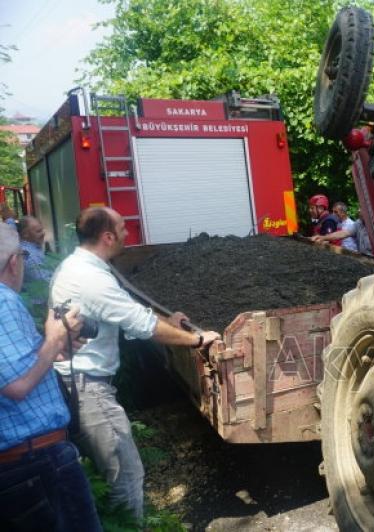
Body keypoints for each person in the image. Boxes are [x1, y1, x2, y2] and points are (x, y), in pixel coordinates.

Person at [49, 207, 221, 520]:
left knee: (114, 474)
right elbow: (143, 326)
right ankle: (130, 527)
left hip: (79, 383)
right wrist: (197, 340)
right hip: (90, 391)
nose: (128, 233)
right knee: (126, 476)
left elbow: (129, 312)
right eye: (123, 228)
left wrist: (167, 320)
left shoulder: (77, 266)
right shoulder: (92, 279)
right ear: (107, 236)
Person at [0, 222, 102, 532]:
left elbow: (19, 368)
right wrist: (55, 340)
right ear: (14, 261)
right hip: (37, 461)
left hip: (25, 463)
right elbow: (17, 386)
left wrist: (57, 349)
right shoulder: (3, 301)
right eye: (23, 256)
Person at [18, 215, 52, 284]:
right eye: (38, 231)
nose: (43, 233)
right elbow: (43, 283)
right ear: (25, 234)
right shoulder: (29, 255)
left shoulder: (33, 248)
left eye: (42, 229)